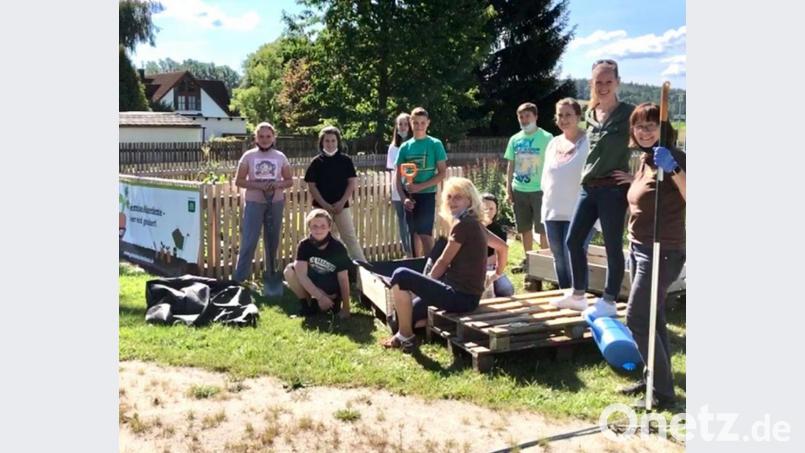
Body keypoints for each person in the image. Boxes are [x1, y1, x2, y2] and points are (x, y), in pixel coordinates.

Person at [381, 177, 506, 353]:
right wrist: (497, 274)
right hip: (468, 296)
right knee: (397, 318)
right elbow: (503, 247)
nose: (452, 201)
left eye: (458, 197)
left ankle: (405, 336)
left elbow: (443, 261)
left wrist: (422, 285)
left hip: (459, 297)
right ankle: (415, 327)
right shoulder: (475, 223)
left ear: (470, 200)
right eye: (449, 197)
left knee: (400, 275)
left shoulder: (462, 224)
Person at [615, 102, 686, 409]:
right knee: (653, 319)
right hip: (639, 246)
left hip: (663, 250)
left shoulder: (674, 158)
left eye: (651, 125)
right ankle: (653, 377)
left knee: (637, 317)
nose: (645, 131)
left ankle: (663, 394)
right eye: (639, 126)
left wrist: (674, 169)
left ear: (663, 127)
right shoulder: (645, 159)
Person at [554, 60, 636, 313]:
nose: (603, 86)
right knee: (573, 240)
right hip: (589, 187)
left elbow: (651, 141)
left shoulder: (629, 113)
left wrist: (636, 177)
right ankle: (578, 295)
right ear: (592, 83)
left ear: (617, 82)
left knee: (612, 245)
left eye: (608, 82)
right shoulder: (590, 114)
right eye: (598, 82)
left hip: (613, 189)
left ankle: (609, 300)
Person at [541, 98, 596, 290]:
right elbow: (546, 177)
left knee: (574, 255)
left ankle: (579, 298)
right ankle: (565, 294)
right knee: (559, 258)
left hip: (580, 211)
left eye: (568, 115)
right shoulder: (553, 143)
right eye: (560, 115)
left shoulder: (589, 141)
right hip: (552, 210)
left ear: (578, 117)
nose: (564, 119)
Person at [232, 122, 293, 284]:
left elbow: (289, 181)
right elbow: (238, 181)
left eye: (268, 136)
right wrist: (258, 186)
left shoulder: (280, 157)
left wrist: (277, 185)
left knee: (272, 240)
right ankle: (239, 279)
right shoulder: (248, 156)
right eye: (261, 136)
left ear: (274, 137)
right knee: (249, 241)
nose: (265, 139)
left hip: (275, 202)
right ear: (256, 138)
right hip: (254, 203)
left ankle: (271, 275)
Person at [304, 126, 367, 262]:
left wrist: (341, 202)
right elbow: (312, 186)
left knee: (349, 237)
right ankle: (322, 269)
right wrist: (324, 205)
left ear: (338, 142)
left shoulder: (345, 160)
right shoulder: (316, 162)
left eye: (333, 141)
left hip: (341, 207)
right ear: (322, 143)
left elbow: (351, 182)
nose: (330, 144)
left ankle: (364, 268)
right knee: (322, 238)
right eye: (327, 141)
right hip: (320, 208)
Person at [504, 102, 553, 272]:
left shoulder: (547, 138)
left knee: (543, 230)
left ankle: (545, 263)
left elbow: (553, 164)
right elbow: (510, 165)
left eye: (528, 116)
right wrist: (508, 188)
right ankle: (529, 261)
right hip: (519, 190)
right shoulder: (515, 139)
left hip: (541, 191)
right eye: (521, 117)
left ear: (536, 117)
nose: (524, 120)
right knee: (524, 229)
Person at [394, 107, 448, 258]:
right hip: (409, 196)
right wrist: (403, 197)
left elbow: (442, 172)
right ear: (411, 123)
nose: (419, 126)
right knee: (413, 234)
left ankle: (430, 267)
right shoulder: (405, 147)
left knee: (425, 234)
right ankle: (417, 265)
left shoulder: (435, 144)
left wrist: (420, 186)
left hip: (427, 195)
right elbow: (397, 177)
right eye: (416, 123)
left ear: (428, 123)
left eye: (422, 123)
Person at [283, 209, 352, 319]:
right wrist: (320, 296)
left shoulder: (338, 247)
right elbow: (301, 275)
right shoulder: (304, 245)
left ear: (329, 227)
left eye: (323, 226)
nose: (319, 229)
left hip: (331, 289)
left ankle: (328, 304)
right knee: (289, 271)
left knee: (325, 307)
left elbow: (343, 278)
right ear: (309, 227)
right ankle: (307, 306)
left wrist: (346, 308)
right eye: (314, 226)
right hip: (314, 285)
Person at [386, 113, 415, 258]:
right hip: (398, 187)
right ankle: (407, 252)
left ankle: (416, 250)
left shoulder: (415, 144)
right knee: (402, 221)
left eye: (405, 124)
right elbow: (394, 168)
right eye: (400, 124)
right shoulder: (393, 147)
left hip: (414, 185)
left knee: (413, 220)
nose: (403, 127)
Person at [480, 193, 514, 297]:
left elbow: (497, 256)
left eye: (491, 209)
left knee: (506, 289)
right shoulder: (471, 226)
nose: (488, 212)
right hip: (472, 267)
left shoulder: (499, 230)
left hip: (491, 267)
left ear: (496, 210)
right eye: (485, 208)